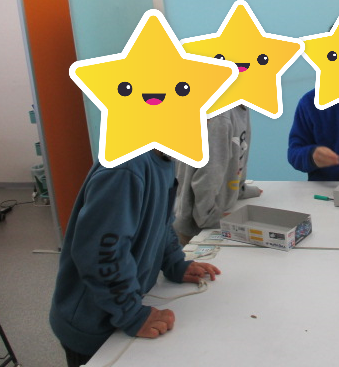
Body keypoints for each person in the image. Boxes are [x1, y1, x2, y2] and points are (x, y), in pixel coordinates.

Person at [50, 150, 220, 367]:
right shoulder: (124, 167)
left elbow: (162, 221)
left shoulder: (164, 158)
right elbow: (100, 254)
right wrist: (132, 314)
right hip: (93, 322)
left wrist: (175, 263)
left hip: (122, 306)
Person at [174, 106, 261, 245]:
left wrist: (239, 189)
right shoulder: (220, 116)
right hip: (196, 225)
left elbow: (238, 156)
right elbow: (208, 174)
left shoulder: (240, 108)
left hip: (210, 215)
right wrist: (208, 217)